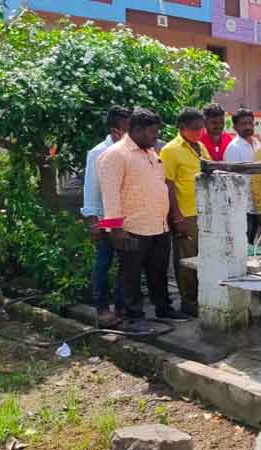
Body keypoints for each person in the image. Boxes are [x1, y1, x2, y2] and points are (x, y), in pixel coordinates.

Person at [97, 108, 190, 329]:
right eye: (152, 133)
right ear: (137, 130)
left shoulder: (150, 153)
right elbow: (109, 194)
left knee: (158, 272)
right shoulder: (115, 155)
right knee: (130, 275)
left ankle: (163, 308)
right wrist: (116, 229)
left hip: (158, 225)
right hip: (132, 228)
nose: (156, 137)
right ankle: (133, 316)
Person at [159, 108, 212, 317]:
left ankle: (202, 297)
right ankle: (188, 301)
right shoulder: (170, 150)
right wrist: (176, 216)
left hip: (205, 211)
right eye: (195, 129)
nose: (200, 132)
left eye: (201, 128)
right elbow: (168, 185)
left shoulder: (200, 147)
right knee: (187, 259)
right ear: (182, 129)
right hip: (186, 213)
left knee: (204, 257)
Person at [81, 105, 130, 327]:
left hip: (126, 218)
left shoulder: (129, 151)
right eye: (126, 129)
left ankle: (120, 307)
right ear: (114, 130)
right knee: (103, 263)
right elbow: (91, 190)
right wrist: (93, 222)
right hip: (104, 220)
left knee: (126, 264)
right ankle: (101, 308)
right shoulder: (97, 153)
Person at [224, 107, 261, 244]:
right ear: (235, 127)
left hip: (257, 203)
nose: (248, 127)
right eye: (243, 124)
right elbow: (231, 180)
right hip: (241, 206)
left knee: (253, 243)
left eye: (250, 123)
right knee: (241, 244)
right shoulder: (234, 148)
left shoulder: (257, 144)